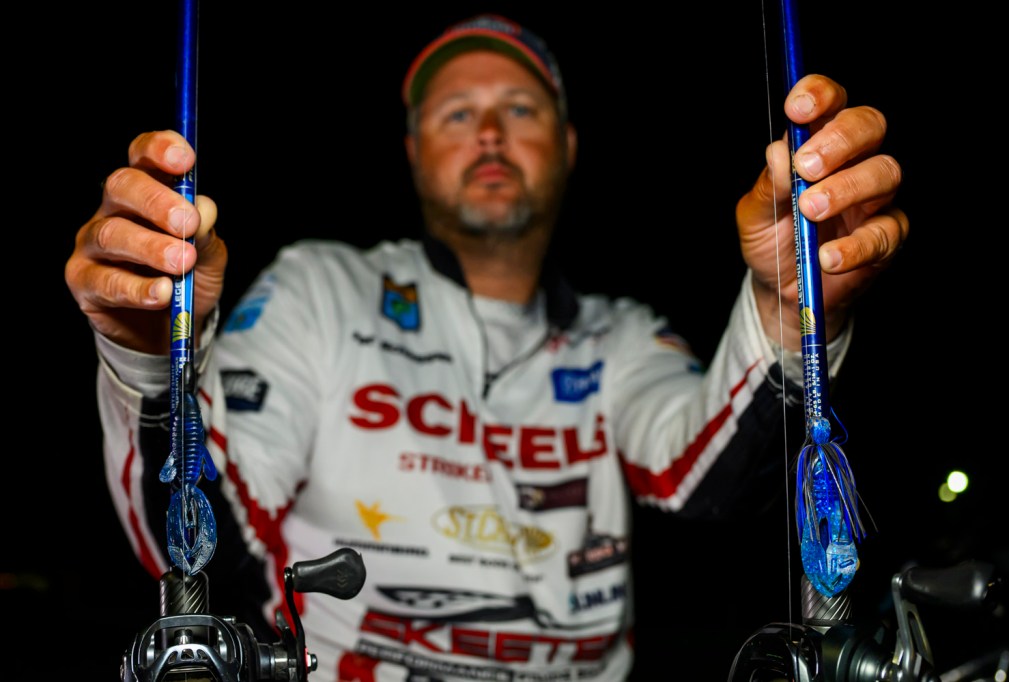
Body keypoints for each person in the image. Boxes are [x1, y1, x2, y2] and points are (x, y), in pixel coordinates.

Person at [65, 13, 907, 681]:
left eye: (521, 109)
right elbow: (200, 546)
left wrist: (789, 302)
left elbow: (710, 487)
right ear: (414, 153)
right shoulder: (320, 288)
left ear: (568, 147)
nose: (492, 134)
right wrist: (149, 358)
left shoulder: (621, 335)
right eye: (458, 114)